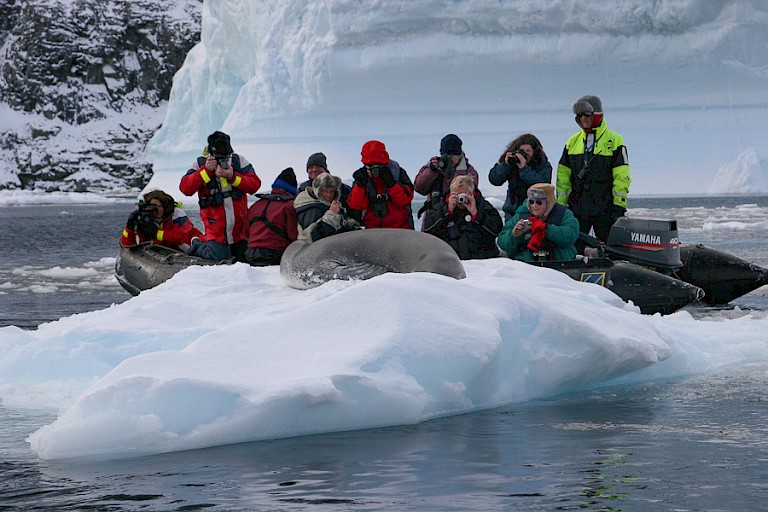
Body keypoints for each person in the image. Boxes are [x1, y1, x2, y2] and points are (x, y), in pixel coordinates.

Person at [556, 95, 630, 245]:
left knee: (609, 248)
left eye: (587, 114)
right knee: (574, 247)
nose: (583, 118)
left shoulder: (615, 141)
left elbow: (622, 176)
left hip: (605, 208)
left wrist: (619, 205)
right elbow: (563, 177)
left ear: (596, 115)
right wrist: (561, 206)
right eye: (579, 115)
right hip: (577, 207)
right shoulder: (572, 142)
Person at [179, 131, 261, 261]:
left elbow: (254, 185)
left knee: (246, 258)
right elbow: (185, 188)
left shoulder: (238, 161)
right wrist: (206, 171)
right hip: (216, 232)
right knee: (217, 257)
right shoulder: (200, 163)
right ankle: (197, 245)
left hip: (239, 232)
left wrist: (232, 177)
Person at [424, 175, 502, 260]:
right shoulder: (440, 208)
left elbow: (497, 230)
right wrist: (447, 211)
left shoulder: (483, 207)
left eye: (463, 195)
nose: (460, 199)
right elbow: (428, 229)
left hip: (482, 261)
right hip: (451, 260)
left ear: (472, 193)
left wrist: (476, 214)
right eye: (456, 195)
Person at [497, 183, 579, 262]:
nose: (534, 205)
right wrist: (514, 235)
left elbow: (571, 235)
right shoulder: (521, 215)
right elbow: (502, 241)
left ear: (549, 202)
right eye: (531, 202)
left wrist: (546, 229)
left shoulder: (563, 214)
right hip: (527, 264)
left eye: (539, 202)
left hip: (560, 263)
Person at [414, 134, 479, 231]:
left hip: (460, 221)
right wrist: (431, 171)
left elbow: (470, 191)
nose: (449, 158)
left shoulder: (469, 172)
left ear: (459, 155)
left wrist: (453, 173)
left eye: (452, 156)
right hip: (435, 218)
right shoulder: (435, 167)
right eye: (446, 155)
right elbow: (419, 188)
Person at [347, 140, 415, 229]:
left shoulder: (397, 174)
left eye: (377, 165)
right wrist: (360, 185)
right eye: (369, 165)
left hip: (401, 229)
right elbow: (356, 205)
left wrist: (391, 184)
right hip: (372, 230)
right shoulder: (362, 177)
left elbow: (405, 199)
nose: (374, 170)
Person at [488, 133, 553, 222]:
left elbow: (542, 184)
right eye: (521, 151)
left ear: (534, 152)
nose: (524, 154)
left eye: (528, 151)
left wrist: (523, 168)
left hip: (536, 209)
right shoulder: (512, 163)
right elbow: (494, 180)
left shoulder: (543, 164)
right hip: (512, 210)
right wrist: (505, 165)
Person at [244, 167, 299, 266]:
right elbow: (294, 235)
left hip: (251, 253)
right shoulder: (289, 206)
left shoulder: (256, 205)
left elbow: (246, 231)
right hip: (275, 254)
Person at [121, 189, 202, 253]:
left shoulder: (177, 214)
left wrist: (155, 233)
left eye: (160, 206)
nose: (158, 210)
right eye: (154, 207)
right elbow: (127, 244)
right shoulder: (144, 219)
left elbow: (180, 237)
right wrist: (129, 226)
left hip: (193, 246)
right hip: (164, 254)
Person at [298, 152, 362, 223]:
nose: (314, 169)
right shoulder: (302, 189)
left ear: (325, 169)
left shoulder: (341, 188)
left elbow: (354, 209)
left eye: (318, 166)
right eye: (311, 167)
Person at [294, 171, 361, 241]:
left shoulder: (329, 204)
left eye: (331, 191)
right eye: (325, 191)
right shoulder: (310, 207)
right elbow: (315, 236)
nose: (329, 195)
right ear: (318, 191)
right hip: (315, 247)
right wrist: (332, 214)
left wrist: (353, 226)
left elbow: (342, 221)